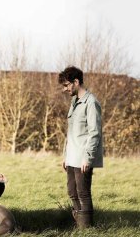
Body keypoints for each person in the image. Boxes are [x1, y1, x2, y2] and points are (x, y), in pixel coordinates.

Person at [58, 66, 103, 228]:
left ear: (76, 82)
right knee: (72, 192)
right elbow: (71, 132)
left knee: (83, 193)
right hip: (72, 157)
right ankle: (79, 224)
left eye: (66, 85)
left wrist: (88, 158)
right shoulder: (75, 101)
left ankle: (86, 228)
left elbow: (94, 132)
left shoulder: (91, 102)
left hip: (83, 157)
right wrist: (65, 156)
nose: (64, 89)